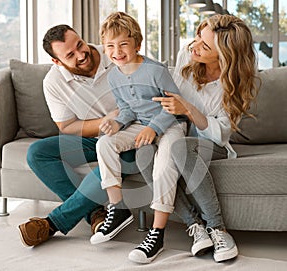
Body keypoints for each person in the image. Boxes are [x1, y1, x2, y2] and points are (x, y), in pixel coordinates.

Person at [137, 14, 259, 263]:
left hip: (211, 145)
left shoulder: (233, 83)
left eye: (204, 46)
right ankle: (196, 227)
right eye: (197, 37)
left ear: (225, 56)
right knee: (144, 152)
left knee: (181, 148)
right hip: (177, 136)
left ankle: (217, 228)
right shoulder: (187, 55)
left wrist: (188, 109)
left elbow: (221, 133)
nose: (194, 46)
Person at [18, 24, 138, 247]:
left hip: (132, 138)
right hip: (95, 136)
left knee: (111, 153)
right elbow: (67, 126)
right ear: (57, 61)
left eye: (80, 45)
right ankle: (95, 215)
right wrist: (104, 123)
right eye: (70, 55)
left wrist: (120, 121)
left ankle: (53, 223)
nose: (82, 55)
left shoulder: (114, 53)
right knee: (38, 153)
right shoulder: (53, 82)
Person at [90, 11, 187, 263]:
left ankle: (157, 233)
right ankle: (118, 209)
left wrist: (154, 128)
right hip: (139, 125)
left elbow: (175, 105)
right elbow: (127, 109)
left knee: (164, 166)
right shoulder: (113, 75)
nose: (117, 51)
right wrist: (117, 122)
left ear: (137, 44)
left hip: (170, 125)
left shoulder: (156, 70)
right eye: (110, 46)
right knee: (104, 144)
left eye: (123, 43)